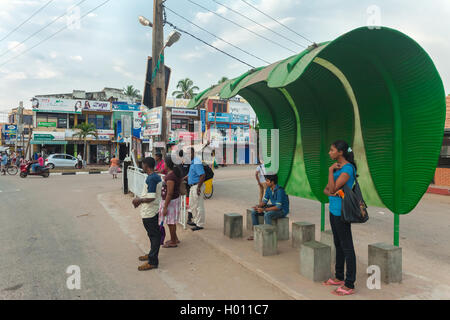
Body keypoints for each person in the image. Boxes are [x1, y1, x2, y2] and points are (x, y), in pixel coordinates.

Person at [322, 140, 357, 296]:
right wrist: (333, 189)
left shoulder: (348, 168)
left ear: (340, 152)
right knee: (338, 244)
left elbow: (333, 188)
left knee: (347, 247)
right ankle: (339, 277)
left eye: (332, 150)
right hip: (334, 210)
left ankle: (349, 284)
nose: (329, 153)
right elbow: (326, 190)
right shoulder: (338, 169)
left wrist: (330, 172)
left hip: (343, 212)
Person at [132, 157, 162, 271]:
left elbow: (151, 197)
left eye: (142, 164)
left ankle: (153, 261)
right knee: (152, 235)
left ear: (146, 165)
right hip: (150, 210)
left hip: (150, 212)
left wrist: (139, 200)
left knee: (154, 236)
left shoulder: (152, 178)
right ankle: (151, 255)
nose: (142, 166)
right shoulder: (153, 177)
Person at [247, 174, 290, 240]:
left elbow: (278, 207)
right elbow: (264, 202)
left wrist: (264, 209)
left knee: (267, 215)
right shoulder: (268, 189)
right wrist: (258, 206)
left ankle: (268, 236)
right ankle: (256, 233)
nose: (266, 182)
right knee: (254, 212)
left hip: (282, 210)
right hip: (275, 206)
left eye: (267, 181)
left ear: (272, 182)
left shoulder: (280, 190)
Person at [159, 155, 182, 248]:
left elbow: (169, 193)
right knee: (171, 221)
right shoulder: (173, 173)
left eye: (164, 162)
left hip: (170, 202)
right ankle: (174, 238)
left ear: (167, 164)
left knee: (170, 222)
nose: (163, 164)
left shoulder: (170, 176)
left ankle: (173, 242)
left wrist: (165, 207)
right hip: (173, 201)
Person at [185, 147, 205, 231]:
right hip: (192, 186)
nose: (188, 155)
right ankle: (196, 221)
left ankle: (200, 224)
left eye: (190, 153)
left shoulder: (196, 162)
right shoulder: (192, 162)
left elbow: (202, 175)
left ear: (193, 153)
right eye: (187, 154)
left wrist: (198, 187)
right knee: (192, 205)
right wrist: (182, 179)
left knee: (199, 206)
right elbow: (190, 175)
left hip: (197, 186)